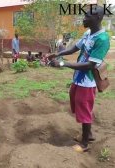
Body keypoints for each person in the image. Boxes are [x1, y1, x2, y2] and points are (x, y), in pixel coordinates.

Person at [47, 6, 110, 152]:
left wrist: (63, 63)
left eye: (88, 16)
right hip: (78, 78)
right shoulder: (89, 33)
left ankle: (84, 144)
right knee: (77, 104)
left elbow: (90, 65)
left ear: (98, 18)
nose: (84, 18)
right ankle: (89, 134)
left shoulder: (103, 39)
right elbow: (75, 47)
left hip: (87, 82)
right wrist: (57, 54)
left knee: (83, 108)